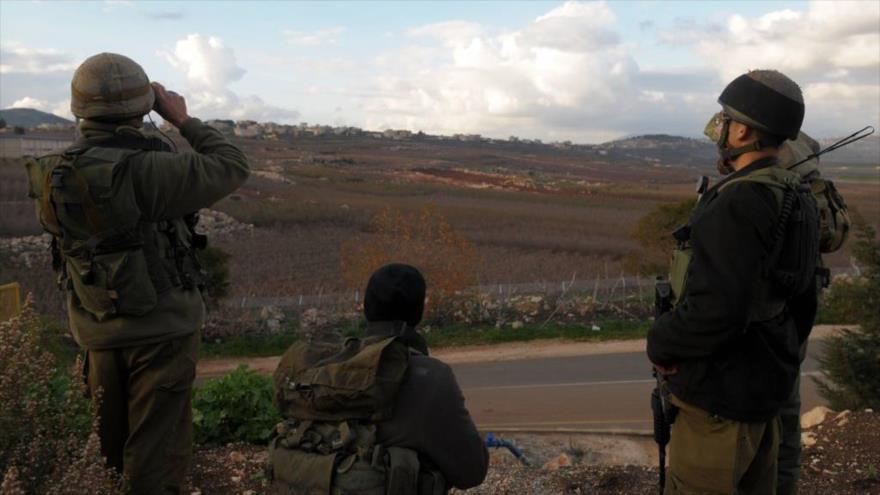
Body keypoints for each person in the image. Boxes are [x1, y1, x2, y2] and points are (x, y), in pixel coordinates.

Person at [24, 52, 249, 493]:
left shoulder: (54, 173)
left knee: (113, 456)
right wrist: (182, 120)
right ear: (143, 106)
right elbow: (232, 165)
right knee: (157, 463)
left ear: (78, 108)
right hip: (162, 334)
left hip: (97, 334)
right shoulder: (151, 169)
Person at [647, 69, 821, 495]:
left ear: (742, 131)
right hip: (762, 398)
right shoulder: (796, 194)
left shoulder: (738, 201)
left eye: (723, 119)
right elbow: (803, 300)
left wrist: (662, 342)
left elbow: (715, 310)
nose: (718, 127)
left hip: (718, 406)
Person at [269, 264, 488, 494]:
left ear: (366, 307)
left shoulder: (319, 368)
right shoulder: (430, 377)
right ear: (418, 312)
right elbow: (472, 471)